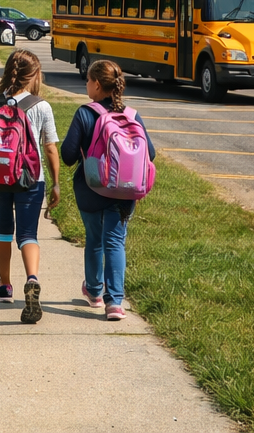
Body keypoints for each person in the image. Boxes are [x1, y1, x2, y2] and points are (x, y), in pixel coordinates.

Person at [60, 59, 155, 321]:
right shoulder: (132, 115)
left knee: (94, 239)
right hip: (126, 191)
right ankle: (115, 302)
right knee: (115, 241)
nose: (86, 85)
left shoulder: (85, 113)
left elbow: (68, 155)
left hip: (92, 188)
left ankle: (94, 291)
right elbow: (151, 154)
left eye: (88, 81)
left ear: (97, 85)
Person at [0, 49, 60, 323]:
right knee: (28, 234)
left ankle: (5, 285)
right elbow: (50, 148)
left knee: (2, 230)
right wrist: (56, 183)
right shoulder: (41, 106)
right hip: (31, 179)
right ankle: (32, 278)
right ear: (34, 75)